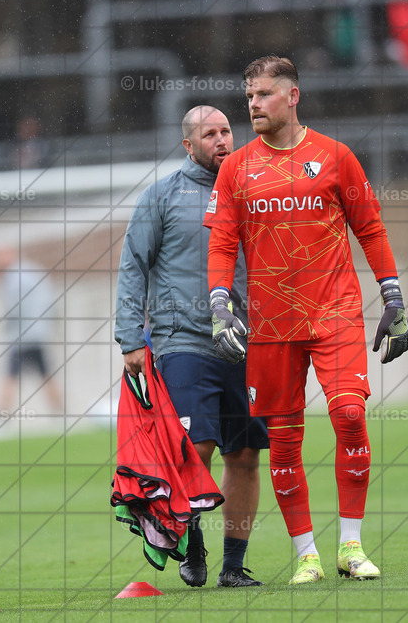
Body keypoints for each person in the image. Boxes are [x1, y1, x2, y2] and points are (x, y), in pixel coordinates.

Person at [203, 55, 408, 584]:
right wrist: (219, 303)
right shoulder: (235, 168)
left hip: (334, 312)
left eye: (264, 94)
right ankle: (307, 555)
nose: (253, 104)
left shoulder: (336, 157)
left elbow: (370, 228)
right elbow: (223, 242)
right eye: (249, 95)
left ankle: (350, 545)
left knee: (348, 415)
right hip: (270, 325)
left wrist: (393, 298)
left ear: (293, 96)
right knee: (285, 439)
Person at [115, 105, 270, 588]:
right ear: (188, 144)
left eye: (226, 131)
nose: (221, 140)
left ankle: (233, 565)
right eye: (209, 134)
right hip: (183, 341)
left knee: (244, 455)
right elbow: (132, 266)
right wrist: (129, 338)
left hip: (247, 345)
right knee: (193, 449)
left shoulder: (250, 191)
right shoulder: (161, 196)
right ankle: (193, 538)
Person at [0, 248, 63, 415]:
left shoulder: (14, 278)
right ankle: (60, 413)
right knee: (46, 374)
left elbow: (13, 309)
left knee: (10, 376)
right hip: (37, 334)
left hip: (21, 336)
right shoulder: (31, 271)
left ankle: (2, 417)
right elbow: (49, 298)